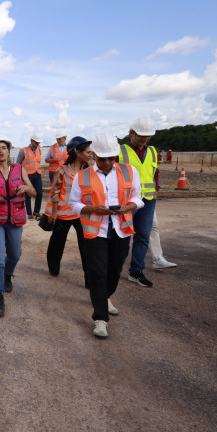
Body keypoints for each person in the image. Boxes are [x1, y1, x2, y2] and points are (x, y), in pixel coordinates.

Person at [69, 133, 143, 339]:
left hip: (122, 228)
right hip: (96, 231)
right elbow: (74, 203)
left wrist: (129, 206)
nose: (108, 163)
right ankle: (100, 318)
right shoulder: (82, 176)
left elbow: (138, 197)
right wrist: (93, 209)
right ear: (94, 156)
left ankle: (105, 296)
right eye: (103, 159)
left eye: (112, 158)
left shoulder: (130, 171)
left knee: (115, 269)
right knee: (98, 272)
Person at [0, 137, 36, 317]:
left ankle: (8, 274)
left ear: (9, 151)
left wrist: (26, 188)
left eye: (4, 148)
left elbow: (34, 192)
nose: (1, 151)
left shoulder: (20, 169)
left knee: (15, 254)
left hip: (15, 219)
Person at [44, 136, 92, 282]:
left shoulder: (89, 171)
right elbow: (55, 192)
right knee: (57, 244)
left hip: (82, 215)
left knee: (87, 247)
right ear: (78, 152)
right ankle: (53, 268)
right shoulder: (62, 171)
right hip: (63, 215)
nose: (91, 155)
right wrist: (53, 212)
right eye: (88, 152)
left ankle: (89, 278)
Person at [119, 117, 158, 288]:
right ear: (131, 133)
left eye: (148, 136)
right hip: (127, 201)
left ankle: (136, 271)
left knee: (142, 236)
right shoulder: (120, 152)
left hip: (148, 201)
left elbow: (154, 171)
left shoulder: (152, 151)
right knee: (121, 236)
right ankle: (114, 268)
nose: (144, 138)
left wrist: (157, 187)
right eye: (141, 135)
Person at [17, 134, 44, 220]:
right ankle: (29, 213)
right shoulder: (23, 150)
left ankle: (36, 212)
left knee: (39, 193)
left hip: (37, 174)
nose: (37, 144)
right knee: (27, 195)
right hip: (27, 175)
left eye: (38, 142)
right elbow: (18, 164)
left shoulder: (39, 150)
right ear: (31, 141)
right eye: (36, 142)